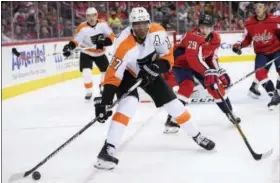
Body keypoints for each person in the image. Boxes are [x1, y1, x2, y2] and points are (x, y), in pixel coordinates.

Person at [93, 7, 215, 170]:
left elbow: (168, 58)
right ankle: (108, 149)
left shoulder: (158, 33)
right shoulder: (123, 45)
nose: (141, 28)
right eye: (137, 25)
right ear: (131, 25)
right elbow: (113, 75)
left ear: (149, 23)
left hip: (149, 69)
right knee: (128, 104)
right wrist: (105, 101)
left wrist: (156, 67)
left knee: (174, 105)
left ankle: (197, 135)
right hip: (128, 74)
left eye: (144, 24)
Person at [164, 13, 241, 133]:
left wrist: (219, 72)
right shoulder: (193, 36)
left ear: (213, 27)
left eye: (208, 27)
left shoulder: (215, 38)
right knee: (187, 86)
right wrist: (208, 73)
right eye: (202, 27)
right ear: (199, 26)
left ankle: (230, 112)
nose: (205, 30)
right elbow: (192, 59)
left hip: (199, 63)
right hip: (181, 63)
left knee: (215, 87)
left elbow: (211, 58)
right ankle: (172, 119)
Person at [232, 2, 280, 109]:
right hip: (262, 53)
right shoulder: (249, 23)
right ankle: (274, 95)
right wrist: (238, 45)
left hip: (277, 50)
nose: (257, 9)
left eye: (260, 6)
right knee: (259, 74)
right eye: (256, 7)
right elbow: (246, 39)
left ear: (265, 8)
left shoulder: (275, 19)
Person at [63, 7, 115, 100]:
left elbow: (111, 37)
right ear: (86, 17)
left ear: (96, 16)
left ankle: (103, 87)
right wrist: (69, 47)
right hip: (86, 52)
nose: (91, 18)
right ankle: (89, 91)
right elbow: (75, 41)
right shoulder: (82, 27)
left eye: (93, 16)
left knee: (106, 71)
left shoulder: (102, 24)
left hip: (100, 53)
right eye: (89, 16)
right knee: (86, 71)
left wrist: (103, 42)